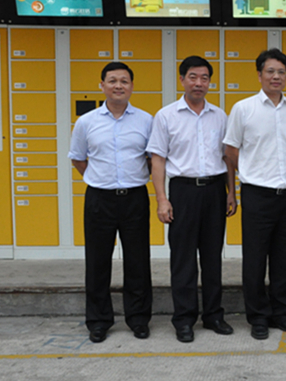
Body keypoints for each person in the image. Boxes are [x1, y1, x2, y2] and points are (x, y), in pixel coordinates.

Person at [147, 56, 237, 343]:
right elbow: (158, 160)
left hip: (214, 190)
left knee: (212, 258)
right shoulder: (166, 116)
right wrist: (162, 199)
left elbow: (228, 158)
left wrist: (231, 192)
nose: (199, 83)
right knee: (183, 259)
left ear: (210, 82)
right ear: (182, 80)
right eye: (193, 77)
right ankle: (184, 319)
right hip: (183, 192)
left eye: (204, 78)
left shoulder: (220, 116)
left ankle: (214, 315)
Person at [68, 62, 153, 343]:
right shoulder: (86, 122)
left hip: (135, 198)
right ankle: (98, 321)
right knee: (97, 262)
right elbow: (78, 158)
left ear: (132, 86)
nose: (119, 85)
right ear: (102, 85)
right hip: (99, 199)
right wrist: (98, 178)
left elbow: (152, 159)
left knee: (138, 261)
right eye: (113, 80)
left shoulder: (146, 120)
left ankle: (138, 318)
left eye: (124, 81)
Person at [223, 48, 286, 340]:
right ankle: (258, 316)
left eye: (281, 72)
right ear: (259, 75)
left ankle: (281, 313)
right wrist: (239, 184)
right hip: (257, 194)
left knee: (283, 259)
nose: (276, 76)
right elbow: (230, 151)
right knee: (255, 260)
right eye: (270, 71)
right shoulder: (243, 108)